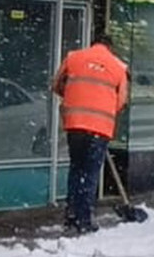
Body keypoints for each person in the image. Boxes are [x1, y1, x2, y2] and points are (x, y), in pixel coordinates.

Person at [53, 34, 129, 233]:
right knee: (91, 172)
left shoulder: (74, 57)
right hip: (100, 127)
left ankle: (71, 214)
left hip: (75, 124)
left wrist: (75, 95)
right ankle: (85, 218)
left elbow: (57, 85)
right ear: (110, 48)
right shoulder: (118, 67)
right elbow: (121, 101)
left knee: (76, 168)